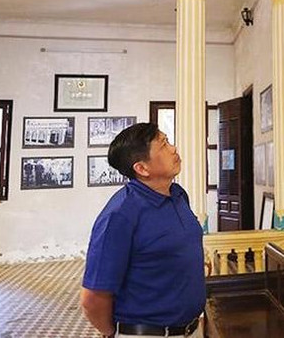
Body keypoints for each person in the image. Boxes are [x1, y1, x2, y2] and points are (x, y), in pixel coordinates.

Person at [80, 123, 205, 338]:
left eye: (169, 141)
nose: (174, 149)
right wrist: (114, 333)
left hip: (191, 329)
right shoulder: (120, 215)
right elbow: (93, 297)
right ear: (142, 168)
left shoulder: (178, 195)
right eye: (164, 145)